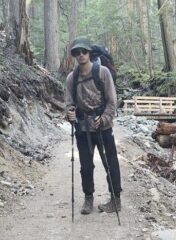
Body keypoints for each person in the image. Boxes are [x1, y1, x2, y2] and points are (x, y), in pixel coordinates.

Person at [65, 36, 122, 214]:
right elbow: (68, 103)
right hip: (83, 129)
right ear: (74, 55)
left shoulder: (103, 72)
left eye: (84, 51)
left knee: (110, 162)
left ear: (89, 53)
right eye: (77, 52)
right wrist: (70, 114)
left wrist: (104, 118)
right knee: (85, 165)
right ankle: (88, 199)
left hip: (103, 128)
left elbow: (112, 101)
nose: (80, 55)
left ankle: (115, 200)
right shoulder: (71, 78)